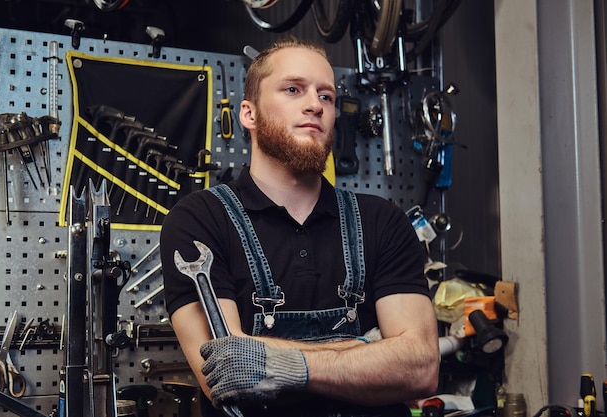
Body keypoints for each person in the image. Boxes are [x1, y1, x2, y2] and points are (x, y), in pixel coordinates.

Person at [161, 36, 440, 417]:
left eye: (326, 96)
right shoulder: (200, 220)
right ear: (249, 114)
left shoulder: (381, 220)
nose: (315, 105)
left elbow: (420, 367)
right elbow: (226, 376)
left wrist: (281, 365)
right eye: (293, 89)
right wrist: (366, 347)